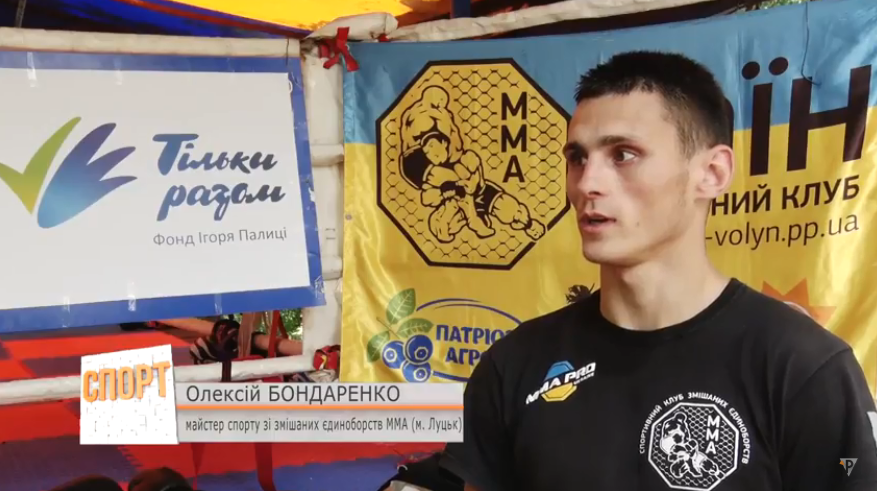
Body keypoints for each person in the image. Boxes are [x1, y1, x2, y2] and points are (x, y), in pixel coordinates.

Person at [439, 51, 877, 491]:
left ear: (712, 173)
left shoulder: (802, 367)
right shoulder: (514, 365)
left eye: (623, 154)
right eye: (578, 158)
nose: (588, 183)